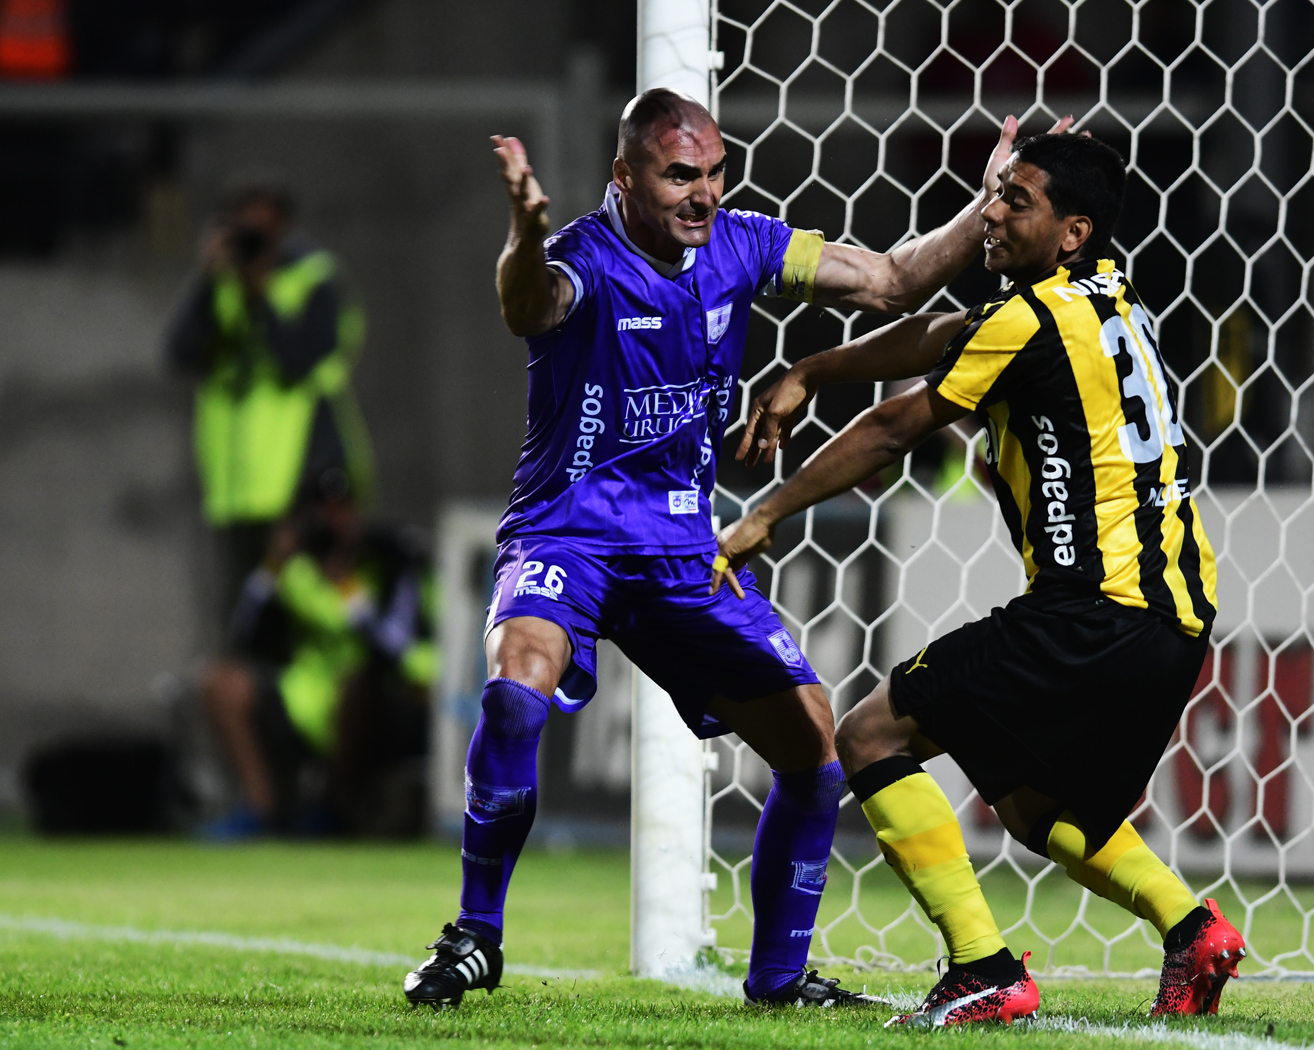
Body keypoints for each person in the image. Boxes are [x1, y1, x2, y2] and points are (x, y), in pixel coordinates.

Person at [400, 88, 1072, 1008]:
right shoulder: (580, 257)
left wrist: (983, 197)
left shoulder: (743, 242)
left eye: (716, 172)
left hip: (683, 549)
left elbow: (889, 280)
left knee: (812, 745)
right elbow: (528, 307)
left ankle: (779, 980)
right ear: (624, 176)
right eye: (680, 175)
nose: (703, 194)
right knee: (516, 692)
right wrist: (521, 230)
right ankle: (475, 935)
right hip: (571, 532)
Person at [711, 131, 1247, 1026]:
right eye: (996, 192)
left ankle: (982, 967)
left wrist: (764, 513)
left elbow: (891, 428)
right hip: (1174, 624)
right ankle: (1192, 930)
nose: (990, 213)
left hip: (1091, 610)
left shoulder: (1031, 320)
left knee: (870, 736)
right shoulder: (1107, 299)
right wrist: (810, 369)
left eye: (1016, 200)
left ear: (1071, 230)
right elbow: (944, 334)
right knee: (1038, 804)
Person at [166, 182, 375, 617]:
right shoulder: (222, 283)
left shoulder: (314, 280)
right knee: (247, 611)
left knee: (318, 602)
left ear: (284, 227)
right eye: (245, 226)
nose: (254, 238)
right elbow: (180, 353)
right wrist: (207, 277)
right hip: (237, 487)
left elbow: (300, 360)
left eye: (264, 227)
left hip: (302, 475)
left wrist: (260, 294)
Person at [200, 483, 436, 838]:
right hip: (305, 693)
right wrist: (272, 564)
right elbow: (243, 635)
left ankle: (332, 809)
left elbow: (394, 647)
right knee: (219, 682)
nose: (332, 520)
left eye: (341, 508)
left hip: (379, 696)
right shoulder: (295, 568)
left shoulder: (389, 561)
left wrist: (345, 585)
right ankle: (261, 810)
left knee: (357, 685)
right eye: (322, 509)